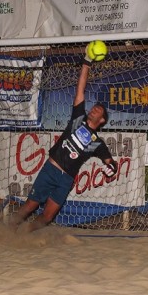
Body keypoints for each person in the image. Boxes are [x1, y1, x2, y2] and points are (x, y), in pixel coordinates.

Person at [10, 47, 118, 233]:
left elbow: (110, 162)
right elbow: (80, 89)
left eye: (98, 111)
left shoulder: (97, 143)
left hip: (66, 179)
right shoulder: (78, 118)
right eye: (93, 108)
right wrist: (86, 62)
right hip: (51, 169)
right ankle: (6, 229)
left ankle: (25, 234)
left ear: (102, 121)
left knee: (48, 216)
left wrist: (111, 168)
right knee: (30, 205)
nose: (93, 109)